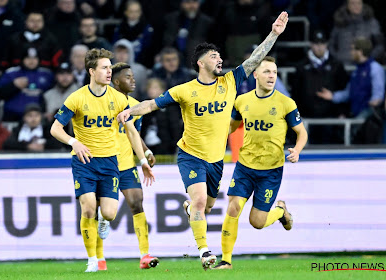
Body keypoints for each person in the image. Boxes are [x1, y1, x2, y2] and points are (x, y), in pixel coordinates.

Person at [118, 12, 289, 270]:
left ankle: (194, 213)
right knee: (199, 202)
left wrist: (274, 33)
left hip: (216, 161)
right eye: (213, 56)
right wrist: (130, 111)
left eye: (220, 56)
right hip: (190, 155)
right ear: (200, 63)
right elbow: (152, 104)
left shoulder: (230, 81)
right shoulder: (184, 90)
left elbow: (254, 60)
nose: (219, 59)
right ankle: (205, 252)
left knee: (205, 207)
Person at [50, 48, 155, 272]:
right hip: (84, 161)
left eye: (110, 67)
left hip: (110, 163)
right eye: (105, 68)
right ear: (91, 71)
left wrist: (143, 160)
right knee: (88, 207)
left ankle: (104, 221)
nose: (109, 72)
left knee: (108, 212)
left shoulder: (118, 99)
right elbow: (55, 128)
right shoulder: (77, 98)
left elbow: (132, 132)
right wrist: (73, 143)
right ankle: (92, 261)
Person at [213, 56, 308, 269]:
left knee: (257, 222)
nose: (271, 76)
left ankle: (281, 212)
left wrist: (298, 150)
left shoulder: (286, 103)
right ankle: (226, 260)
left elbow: (302, 133)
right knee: (233, 208)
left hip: (271, 171)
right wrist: (213, 136)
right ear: (255, 74)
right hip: (245, 167)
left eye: (274, 72)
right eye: (266, 72)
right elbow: (232, 125)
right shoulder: (242, 100)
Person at [97, 62, 159, 269]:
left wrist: (146, 151)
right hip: (104, 164)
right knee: (104, 212)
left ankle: (145, 255)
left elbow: (133, 134)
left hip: (126, 164)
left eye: (133, 76)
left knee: (137, 203)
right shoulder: (102, 103)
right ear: (116, 82)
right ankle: (99, 258)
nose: (133, 80)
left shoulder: (135, 105)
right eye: (127, 77)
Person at [292, 30, 349, 144]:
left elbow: (344, 89)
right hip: (307, 117)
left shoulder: (336, 65)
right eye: (316, 43)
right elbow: (296, 93)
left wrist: (342, 112)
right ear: (311, 44)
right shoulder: (301, 66)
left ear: (326, 44)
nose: (319, 47)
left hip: (331, 118)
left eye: (322, 43)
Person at [317, 37, 385, 119]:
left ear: (360, 51)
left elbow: (378, 95)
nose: (351, 52)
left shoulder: (375, 68)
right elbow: (349, 92)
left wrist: (373, 104)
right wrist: (333, 96)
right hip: (355, 112)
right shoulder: (356, 70)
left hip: (368, 115)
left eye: (353, 49)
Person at [0, 47, 54, 121]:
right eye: (28, 58)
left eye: (34, 58)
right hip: (12, 116)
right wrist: (13, 85)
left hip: (37, 118)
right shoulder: (11, 73)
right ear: (22, 59)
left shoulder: (47, 74)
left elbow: (51, 94)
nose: (31, 61)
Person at [328, 0, 384, 64]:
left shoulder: (371, 22)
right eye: (353, 3)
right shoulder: (340, 22)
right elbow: (331, 45)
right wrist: (337, 57)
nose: (356, 6)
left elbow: (380, 45)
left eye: (359, 3)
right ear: (347, 5)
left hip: (365, 65)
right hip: (343, 64)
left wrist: (368, 58)